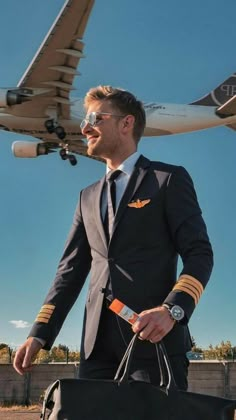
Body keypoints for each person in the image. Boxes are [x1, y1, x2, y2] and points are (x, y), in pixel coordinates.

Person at [13, 86, 213, 390]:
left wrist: (172, 310)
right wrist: (39, 332)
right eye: (83, 121)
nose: (85, 128)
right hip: (96, 351)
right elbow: (69, 272)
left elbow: (200, 254)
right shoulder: (87, 197)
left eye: (95, 118)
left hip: (152, 342)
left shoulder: (167, 180)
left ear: (126, 123)